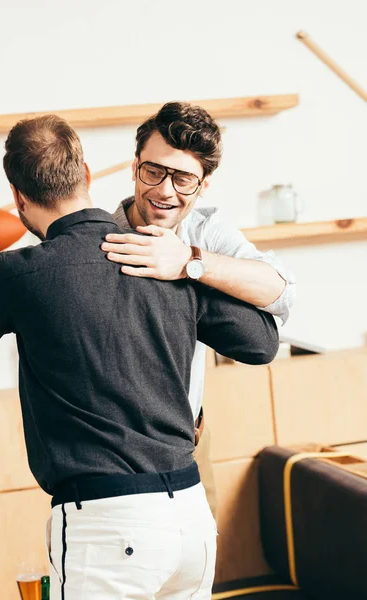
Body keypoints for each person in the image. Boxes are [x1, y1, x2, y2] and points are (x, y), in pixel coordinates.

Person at [0, 115, 279, 600]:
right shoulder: (164, 258)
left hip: (109, 527)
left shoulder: (20, 274)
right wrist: (190, 268)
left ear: (17, 196)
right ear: (87, 175)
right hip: (190, 521)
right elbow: (262, 343)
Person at [102, 101, 296, 517]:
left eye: (184, 178)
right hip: (110, 458)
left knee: (200, 575)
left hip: (190, 442)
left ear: (204, 184)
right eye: (153, 171)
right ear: (135, 165)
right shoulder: (97, 239)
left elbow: (280, 293)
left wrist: (190, 262)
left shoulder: (204, 231)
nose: (164, 190)